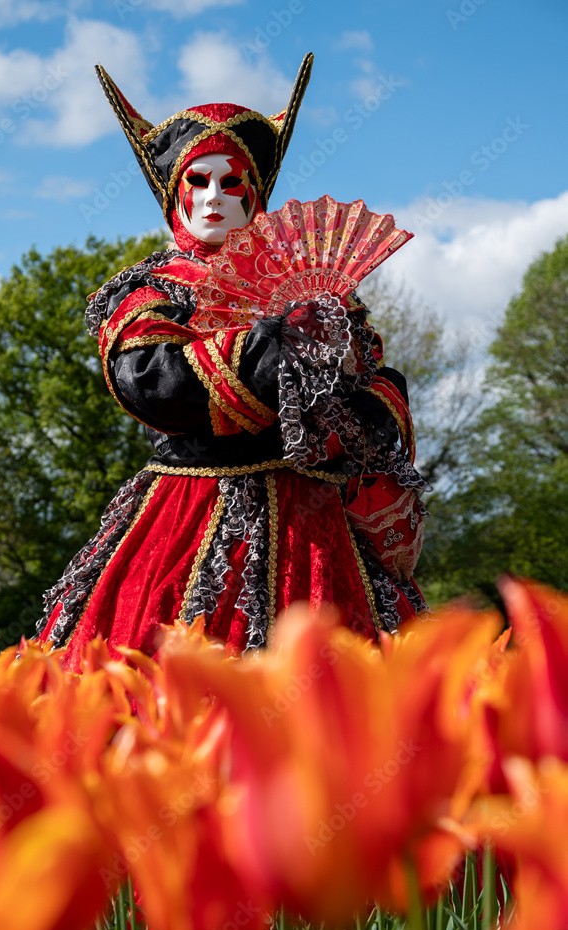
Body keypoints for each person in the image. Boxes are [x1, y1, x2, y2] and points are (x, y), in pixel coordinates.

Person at [36, 53, 428, 671]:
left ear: (257, 192)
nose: (215, 197)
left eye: (232, 181)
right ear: (174, 193)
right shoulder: (153, 290)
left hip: (318, 521)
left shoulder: (318, 290)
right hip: (192, 512)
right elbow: (152, 382)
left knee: (344, 698)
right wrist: (273, 347)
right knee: (162, 690)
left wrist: (360, 412)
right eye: (198, 180)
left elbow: (377, 378)